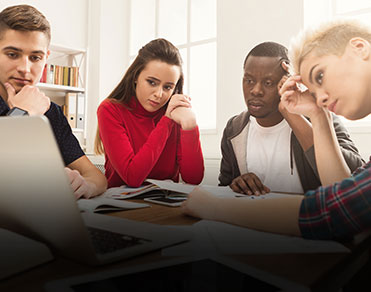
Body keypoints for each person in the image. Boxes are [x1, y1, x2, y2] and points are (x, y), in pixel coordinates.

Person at [182, 19, 371, 240]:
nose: (320, 98)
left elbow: (334, 210)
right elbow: (343, 199)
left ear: (359, 48)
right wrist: (318, 115)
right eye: (313, 88)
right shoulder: (235, 128)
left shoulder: (320, 120)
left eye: (320, 76)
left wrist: (214, 207)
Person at [219, 41, 363, 195]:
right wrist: (236, 185)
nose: (256, 91)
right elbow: (222, 189)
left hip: (307, 217)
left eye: (268, 83)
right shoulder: (234, 128)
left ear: (288, 81)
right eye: (249, 81)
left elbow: (356, 178)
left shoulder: (319, 119)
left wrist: (291, 114)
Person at [0, 5, 107, 199]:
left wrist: (86, 185)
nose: (25, 68)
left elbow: (97, 176)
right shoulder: (32, 108)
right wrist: (23, 114)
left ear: (46, 58)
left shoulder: (52, 112)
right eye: (13, 54)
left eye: (35, 57)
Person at [95, 38, 204, 188]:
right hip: (121, 205)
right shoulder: (110, 110)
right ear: (135, 77)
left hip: (167, 204)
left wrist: (190, 126)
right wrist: (166, 122)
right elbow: (132, 177)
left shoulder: (176, 113)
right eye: (152, 82)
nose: (159, 94)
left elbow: (193, 178)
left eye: (167, 87)